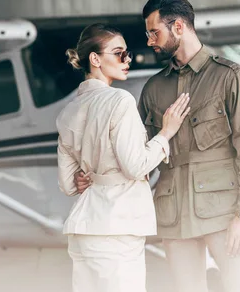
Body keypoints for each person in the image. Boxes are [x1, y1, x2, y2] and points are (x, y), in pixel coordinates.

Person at [76, 0, 240, 292]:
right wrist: (92, 176)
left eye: (154, 32)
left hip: (224, 211)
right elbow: (134, 154)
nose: (150, 41)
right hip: (173, 214)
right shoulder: (154, 88)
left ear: (179, 27)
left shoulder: (230, 77)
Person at [57, 23, 190, 292]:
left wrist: (86, 177)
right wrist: (165, 134)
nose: (127, 60)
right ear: (95, 59)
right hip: (116, 227)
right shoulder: (120, 100)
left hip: (83, 230)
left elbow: (68, 184)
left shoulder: (67, 111)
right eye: (119, 53)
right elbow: (135, 166)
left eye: (127, 54)